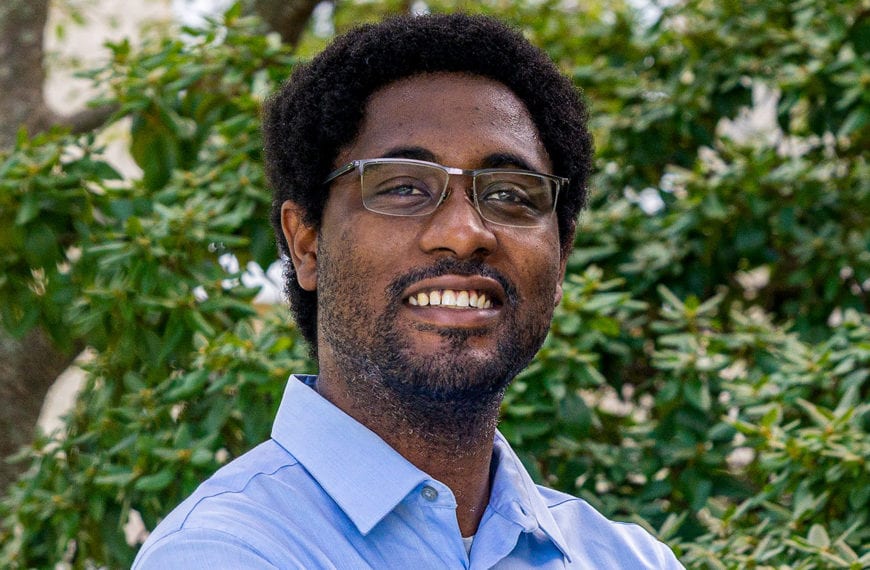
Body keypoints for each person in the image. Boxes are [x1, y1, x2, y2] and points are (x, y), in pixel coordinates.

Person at [133, 12, 683, 569]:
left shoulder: (627, 559)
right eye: (403, 187)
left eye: (511, 194)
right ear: (307, 245)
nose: (466, 233)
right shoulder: (225, 551)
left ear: (561, 257)